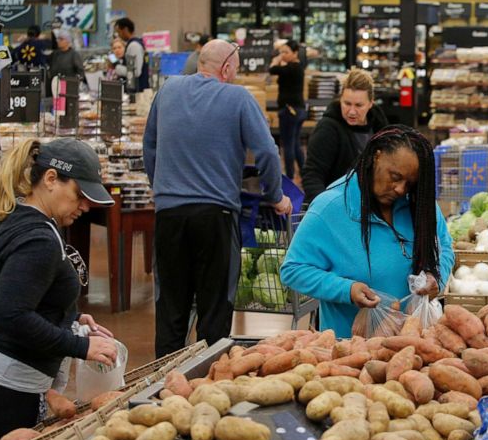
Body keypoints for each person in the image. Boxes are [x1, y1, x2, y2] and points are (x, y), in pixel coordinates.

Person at [0, 138, 118, 440]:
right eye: (80, 194)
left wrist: (69, 316)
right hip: (1, 383)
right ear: (51, 179)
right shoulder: (39, 240)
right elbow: (12, 315)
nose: (85, 206)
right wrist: (82, 346)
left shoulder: (27, 219)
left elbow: (23, 293)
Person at [144, 39, 292, 358]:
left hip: (168, 216)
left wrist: (163, 188)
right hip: (216, 217)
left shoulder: (167, 91)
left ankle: (162, 388)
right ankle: (207, 385)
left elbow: (150, 147)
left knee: (171, 307)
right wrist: (275, 195)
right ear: (226, 69)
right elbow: (266, 151)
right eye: (235, 70)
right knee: (214, 310)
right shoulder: (238, 97)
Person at [280, 126, 455, 338]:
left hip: (414, 345)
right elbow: (293, 269)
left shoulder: (419, 205)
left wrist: (437, 276)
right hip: (350, 350)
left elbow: (444, 246)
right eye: (395, 176)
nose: (400, 189)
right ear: (376, 157)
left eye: (409, 183)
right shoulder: (331, 208)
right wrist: (347, 290)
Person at [302, 68, 388, 204]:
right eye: (347, 104)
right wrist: (326, 208)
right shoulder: (327, 129)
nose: (352, 111)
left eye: (359, 105)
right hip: (337, 204)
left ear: (371, 103)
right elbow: (312, 175)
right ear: (340, 99)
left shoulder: (379, 125)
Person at [269, 39, 306, 179]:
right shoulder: (298, 67)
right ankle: (303, 173)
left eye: (286, 52)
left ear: (295, 53)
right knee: (295, 143)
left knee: (288, 145)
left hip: (289, 110)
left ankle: (289, 176)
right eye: (281, 52)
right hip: (299, 109)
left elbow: (272, 69)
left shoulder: (291, 68)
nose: (283, 54)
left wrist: (276, 59)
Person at [115, 17, 150, 92]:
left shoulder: (134, 46)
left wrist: (117, 68)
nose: (119, 35)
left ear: (125, 30)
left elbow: (136, 72)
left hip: (137, 90)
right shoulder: (137, 43)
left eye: (119, 32)